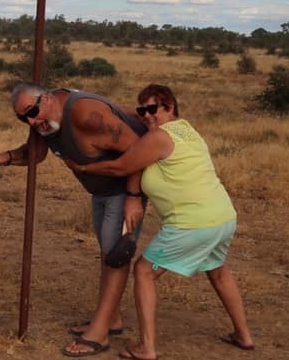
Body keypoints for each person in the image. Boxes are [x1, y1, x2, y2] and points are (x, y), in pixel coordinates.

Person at [62, 84, 254, 359]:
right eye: (143, 110)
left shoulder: (158, 139)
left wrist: (83, 168)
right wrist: (106, 106)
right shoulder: (186, 129)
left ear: (170, 107)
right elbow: (132, 115)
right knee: (218, 271)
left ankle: (146, 347)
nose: (147, 116)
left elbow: (121, 166)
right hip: (222, 217)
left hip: (192, 224)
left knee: (143, 271)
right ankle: (243, 335)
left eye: (153, 109)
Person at [0, 82, 148, 357]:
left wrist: (133, 195)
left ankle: (100, 333)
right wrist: (3, 158)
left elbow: (139, 149)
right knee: (107, 253)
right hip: (101, 191)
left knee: (117, 256)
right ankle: (111, 318)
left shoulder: (84, 113)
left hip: (122, 189)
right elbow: (36, 153)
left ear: (46, 98)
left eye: (33, 111)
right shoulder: (45, 123)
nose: (31, 121)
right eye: (24, 118)